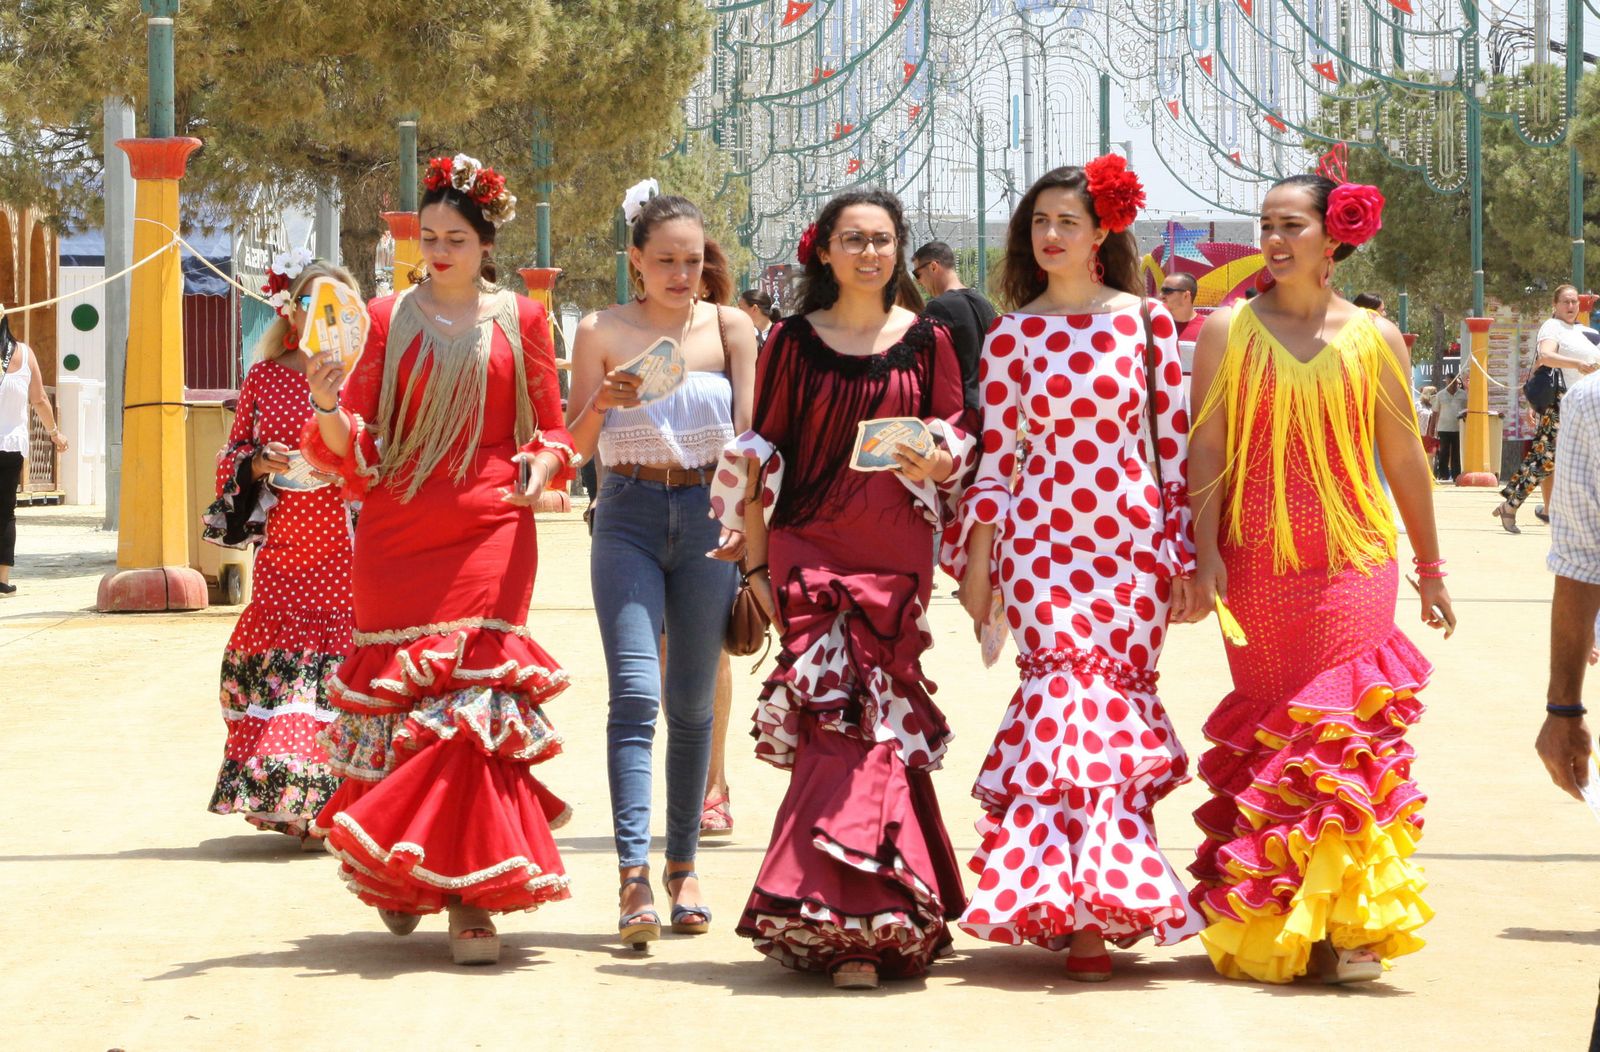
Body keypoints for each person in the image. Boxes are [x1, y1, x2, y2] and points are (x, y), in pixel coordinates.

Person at [303, 155, 577, 966]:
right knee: (402, 713)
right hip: (399, 528)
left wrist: (544, 465)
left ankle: (471, 900)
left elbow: (553, 431)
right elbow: (348, 444)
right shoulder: (384, 317)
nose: (440, 251)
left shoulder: (525, 319)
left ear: (487, 241)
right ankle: (402, 873)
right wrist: (324, 401)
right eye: (429, 237)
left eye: (456, 237)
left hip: (492, 524)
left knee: (472, 713)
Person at [1186, 173, 1455, 985]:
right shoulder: (1225, 330)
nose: (1275, 238)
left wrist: (1431, 568)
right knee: (1281, 733)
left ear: (1333, 237)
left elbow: (1405, 458)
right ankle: (1281, 919)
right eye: (1266, 223)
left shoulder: (1378, 338)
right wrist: (1204, 555)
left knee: (1344, 733)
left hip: (1353, 561)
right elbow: (1206, 450)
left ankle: (1351, 926)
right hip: (1259, 564)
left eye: (1292, 224)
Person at [712, 188, 975, 990]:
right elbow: (763, 457)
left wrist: (939, 459)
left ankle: (888, 906)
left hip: (896, 556)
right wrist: (756, 568)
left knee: (883, 726)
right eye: (854, 239)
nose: (870, 252)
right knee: (839, 729)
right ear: (823, 251)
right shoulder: (791, 340)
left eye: (883, 239)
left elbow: (959, 434)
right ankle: (856, 921)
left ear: (900, 252)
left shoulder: (929, 340)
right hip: (808, 554)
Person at [946, 158, 1200, 982]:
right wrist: (979, 565)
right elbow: (996, 458)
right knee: (1062, 711)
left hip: (1129, 549)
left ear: (1102, 234)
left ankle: (1096, 895)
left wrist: (1183, 555)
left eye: (1066, 222)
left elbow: (1173, 452)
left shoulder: (1147, 323)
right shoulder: (1013, 333)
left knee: (1112, 724)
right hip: (1039, 549)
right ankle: (1079, 912)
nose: (1049, 236)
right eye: (1039, 223)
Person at [566, 192, 754, 947]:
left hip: (710, 518)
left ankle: (683, 868)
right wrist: (603, 403)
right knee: (636, 695)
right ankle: (632, 876)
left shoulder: (733, 328)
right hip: (629, 516)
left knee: (692, 704)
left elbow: (754, 440)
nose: (683, 273)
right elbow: (573, 444)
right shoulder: (600, 330)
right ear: (635, 260)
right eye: (666, 259)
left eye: (694, 259)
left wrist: (751, 540)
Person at [201, 255, 358, 846]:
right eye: (314, 305)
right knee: (290, 680)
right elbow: (232, 452)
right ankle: (298, 800)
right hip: (288, 548)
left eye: (336, 307)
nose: (325, 319)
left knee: (341, 677)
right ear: (294, 313)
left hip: (352, 551)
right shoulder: (265, 378)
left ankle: (331, 800)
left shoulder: (369, 375)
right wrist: (257, 462)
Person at [1495, 285, 1600, 534]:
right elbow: (1545, 356)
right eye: (1566, 302)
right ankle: (1511, 505)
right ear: (1555, 304)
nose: (1571, 306)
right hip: (1561, 403)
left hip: (1585, 405)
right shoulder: (1552, 327)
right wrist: (1578, 363)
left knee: (1551, 459)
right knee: (1544, 459)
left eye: (1574, 302)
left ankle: (1516, 505)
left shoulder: (1583, 331)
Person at [0, 328, 68, 596]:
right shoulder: (25, 354)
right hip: (11, 446)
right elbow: (39, 399)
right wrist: (54, 433)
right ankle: (2, 580)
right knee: (4, 512)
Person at [912, 240, 997, 414]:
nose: (919, 282)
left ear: (934, 267)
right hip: (991, 406)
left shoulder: (938, 308)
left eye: (917, 274)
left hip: (959, 413)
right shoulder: (984, 304)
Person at [1432, 372, 1466, 481]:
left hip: (1458, 428)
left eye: (1454, 382)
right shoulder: (1440, 395)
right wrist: (1432, 428)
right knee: (1443, 453)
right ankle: (1443, 475)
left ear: (1457, 382)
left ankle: (1456, 475)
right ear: (1446, 382)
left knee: (1457, 453)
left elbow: (1468, 410)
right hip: (1443, 428)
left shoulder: (1464, 395)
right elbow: (1435, 412)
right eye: (1449, 382)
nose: (1452, 384)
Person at [1158, 271, 1204, 343]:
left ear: (1186, 296)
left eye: (1167, 291)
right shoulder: (1155, 326)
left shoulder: (1206, 329)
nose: (1161, 296)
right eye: (1161, 291)